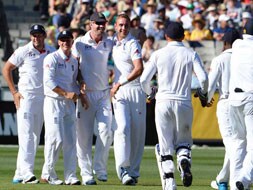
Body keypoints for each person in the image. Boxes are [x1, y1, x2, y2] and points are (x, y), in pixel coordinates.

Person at [140, 21, 208, 190]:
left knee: (165, 145)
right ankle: (183, 160)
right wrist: (203, 93)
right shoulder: (191, 53)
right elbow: (204, 79)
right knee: (183, 143)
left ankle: (170, 183)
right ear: (183, 36)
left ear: (166, 36)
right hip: (183, 102)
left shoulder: (158, 54)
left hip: (163, 101)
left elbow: (143, 80)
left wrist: (150, 93)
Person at [2, 24, 55, 184]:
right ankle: (27, 173)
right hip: (26, 97)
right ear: (30, 36)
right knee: (26, 135)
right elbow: (6, 69)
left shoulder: (51, 51)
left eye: (39, 35)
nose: (36, 38)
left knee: (34, 136)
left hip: (44, 97)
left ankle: (19, 173)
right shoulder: (24, 50)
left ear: (44, 36)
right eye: (33, 35)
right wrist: (14, 92)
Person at [41, 30, 87, 185]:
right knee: (55, 139)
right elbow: (48, 81)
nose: (66, 42)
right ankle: (48, 173)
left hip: (68, 104)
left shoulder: (74, 61)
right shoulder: (51, 58)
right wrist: (66, 93)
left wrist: (81, 89)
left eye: (68, 39)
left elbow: (75, 79)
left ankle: (70, 175)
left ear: (72, 42)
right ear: (59, 42)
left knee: (70, 140)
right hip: (53, 102)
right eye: (63, 40)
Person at [72, 12, 113, 185]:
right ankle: (86, 173)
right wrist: (80, 85)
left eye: (103, 23)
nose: (101, 26)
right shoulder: (80, 42)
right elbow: (74, 66)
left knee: (105, 132)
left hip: (103, 93)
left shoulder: (109, 42)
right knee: (84, 137)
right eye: (97, 23)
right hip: (85, 95)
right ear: (90, 24)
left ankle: (100, 169)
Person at [111, 13, 146, 186]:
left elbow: (139, 68)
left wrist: (120, 82)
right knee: (122, 128)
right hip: (120, 93)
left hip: (135, 91)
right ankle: (123, 169)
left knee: (138, 134)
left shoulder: (133, 43)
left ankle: (133, 172)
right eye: (120, 25)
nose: (123, 28)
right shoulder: (112, 43)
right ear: (115, 26)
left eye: (126, 25)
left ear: (129, 27)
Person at [208, 29, 241, 190]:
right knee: (238, 142)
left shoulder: (220, 59)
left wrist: (206, 99)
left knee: (232, 144)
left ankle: (235, 181)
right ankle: (223, 179)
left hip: (227, 103)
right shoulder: (244, 57)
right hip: (244, 103)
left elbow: (210, 85)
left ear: (225, 43)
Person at [228, 19, 253, 190]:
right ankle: (243, 179)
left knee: (238, 143)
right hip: (250, 99)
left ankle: (233, 182)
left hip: (233, 100)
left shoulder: (237, 44)